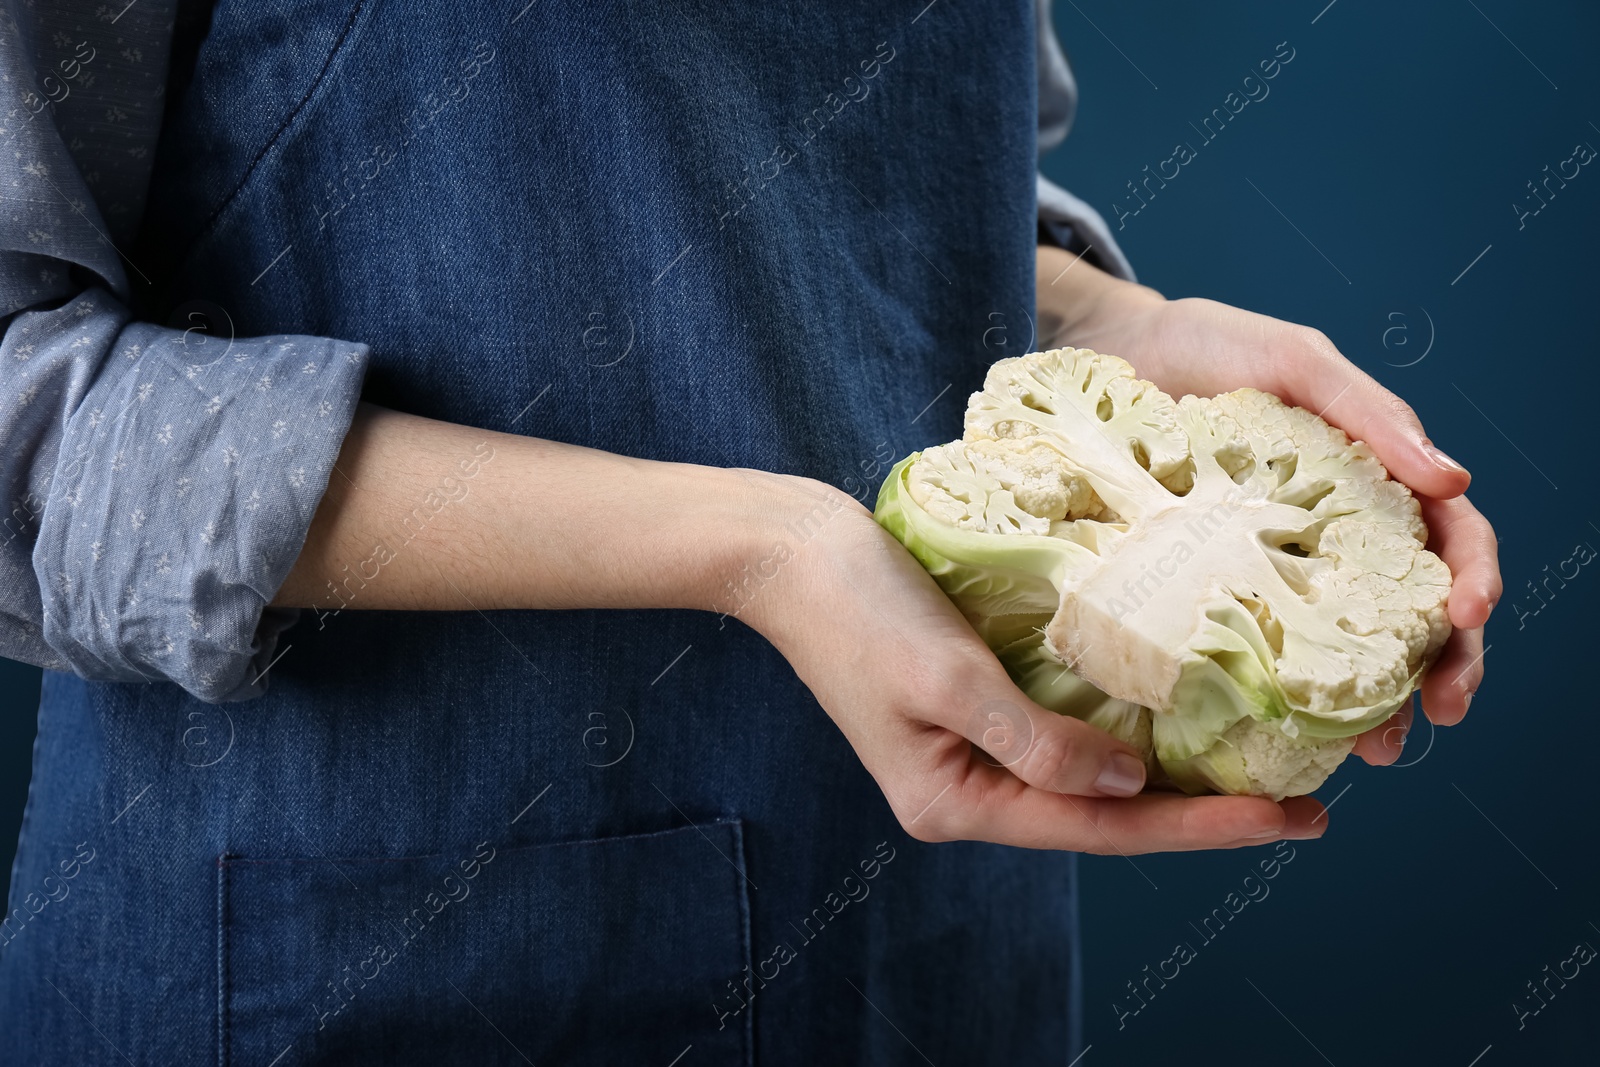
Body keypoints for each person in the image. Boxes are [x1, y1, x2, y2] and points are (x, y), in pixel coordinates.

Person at [0, 0, 1497, 1062]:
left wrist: (1122, 321)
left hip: (936, 947)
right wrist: (756, 548)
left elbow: (869, 172)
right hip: (401, 949)